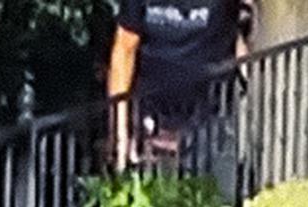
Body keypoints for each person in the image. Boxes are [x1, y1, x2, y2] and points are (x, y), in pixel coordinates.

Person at [107, 0, 253, 169]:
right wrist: (120, 131)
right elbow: (125, 48)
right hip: (151, 119)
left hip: (212, 115)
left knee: (215, 190)